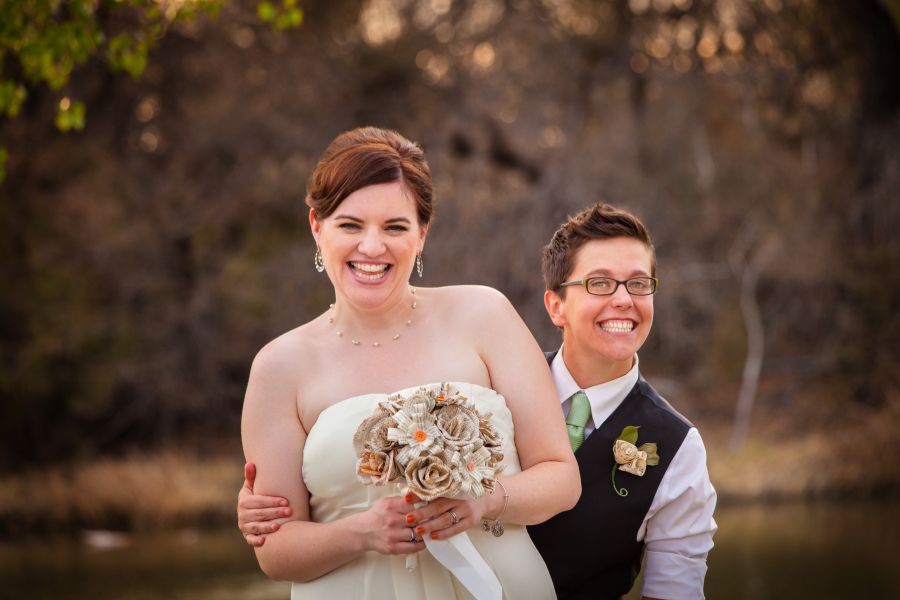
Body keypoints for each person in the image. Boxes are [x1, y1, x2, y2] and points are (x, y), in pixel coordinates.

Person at [240, 201, 716, 599]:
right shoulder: (488, 385)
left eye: (638, 284)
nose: (622, 300)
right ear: (555, 306)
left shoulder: (678, 448)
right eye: (599, 283)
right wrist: (276, 507)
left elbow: (673, 591)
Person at [239, 126, 580, 599]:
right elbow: (274, 551)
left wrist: (483, 503)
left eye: (395, 227)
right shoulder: (279, 367)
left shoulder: (484, 315)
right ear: (317, 227)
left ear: (422, 234)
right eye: (350, 225)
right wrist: (363, 533)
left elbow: (561, 478)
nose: (373, 247)